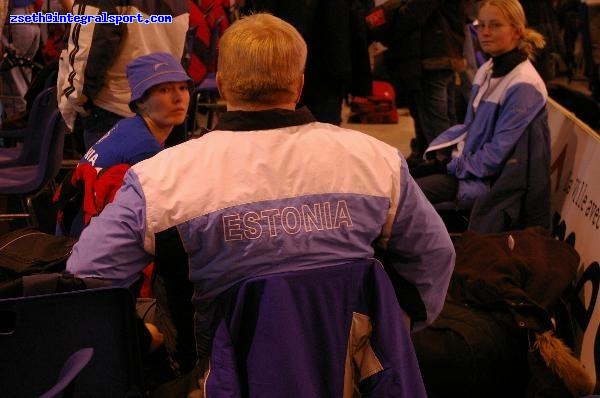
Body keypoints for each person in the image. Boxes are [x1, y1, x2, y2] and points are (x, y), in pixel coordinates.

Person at [66, 12, 455, 391]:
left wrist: (140, 338)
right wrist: (394, 325)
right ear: (299, 85)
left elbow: (86, 280)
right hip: (354, 375)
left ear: (223, 85)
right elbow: (435, 255)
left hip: (214, 381)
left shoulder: (161, 179)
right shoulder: (377, 160)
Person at [413, 0, 548, 210]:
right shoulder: (486, 69)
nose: (485, 32)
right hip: (469, 170)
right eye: (481, 25)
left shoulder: (524, 85)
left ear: (517, 31)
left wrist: (452, 166)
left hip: (485, 183)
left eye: (495, 25)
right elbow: (469, 129)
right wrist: (443, 158)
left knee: (403, 194)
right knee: (401, 176)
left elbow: (494, 157)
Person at [55, 52, 192, 238]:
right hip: (85, 249)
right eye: (164, 90)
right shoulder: (144, 147)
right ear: (141, 102)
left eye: (183, 87)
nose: (178, 98)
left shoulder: (130, 126)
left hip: (77, 235)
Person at [56, 0, 189, 150]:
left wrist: (80, 103)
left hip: (113, 111)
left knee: (107, 173)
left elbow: (88, 57)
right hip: (162, 111)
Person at [365, 0, 466, 166]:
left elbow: (412, 15)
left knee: (434, 115)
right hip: (443, 53)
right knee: (443, 114)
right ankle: (441, 160)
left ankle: (441, 163)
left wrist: (390, 19)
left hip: (433, 56)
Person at [241, 0, 373, 125]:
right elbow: (357, 27)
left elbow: (257, 22)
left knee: (279, 134)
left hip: (282, 69)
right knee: (324, 135)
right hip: (328, 73)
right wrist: (361, 87)